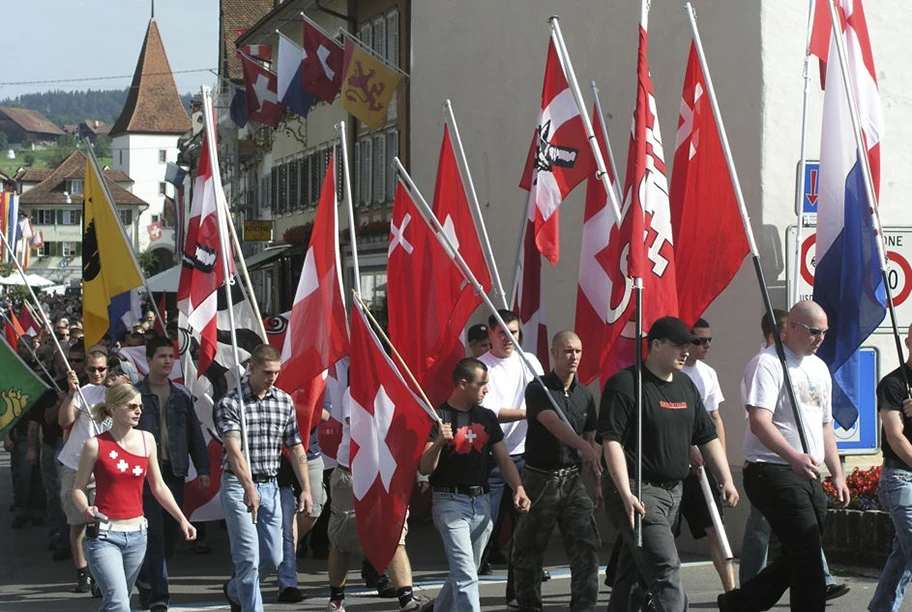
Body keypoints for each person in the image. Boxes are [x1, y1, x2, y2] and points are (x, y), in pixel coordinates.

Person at [600, 316, 738, 612]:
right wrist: (625, 493)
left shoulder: (685, 385)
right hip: (639, 491)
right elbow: (611, 441)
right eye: (678, 346)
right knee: (666, 569)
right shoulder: (626, 384)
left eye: (687, 345)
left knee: (633, 572)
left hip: (674, 491)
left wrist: (725, 478)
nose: (686, 351)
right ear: (656, 345)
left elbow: (707, 435)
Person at [718, 301, 849, 612]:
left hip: (808, 471)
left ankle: (741, 603)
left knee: (801, 548)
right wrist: (792, 456)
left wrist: (838, 473)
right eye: (814, 331)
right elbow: (759, 421)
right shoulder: (767, 364)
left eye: (825, 333)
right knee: (806, 554)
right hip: (771, 469)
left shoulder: (818, 367)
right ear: (791, 327)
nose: (820, 338)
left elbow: (825, 425)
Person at [72, 383, 196, 612]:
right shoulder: (94, 445)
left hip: (138, 536)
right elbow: (78, 489)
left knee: (116, 601)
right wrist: (85, 509)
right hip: (104, 536)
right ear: (112, 408)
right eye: (131, 406)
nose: (138, 411)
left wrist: (182, 519)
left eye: (140, 406)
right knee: (119, 603)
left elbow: (158, 486)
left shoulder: (147, 440)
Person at [419, 358, 531, 612]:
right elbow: (424, 468)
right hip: (450, 502)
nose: (487, 389)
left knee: (466, 568)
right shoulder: (439, 416)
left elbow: (503, 457)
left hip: (482, 503)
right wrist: (439, 443)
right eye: (482, 384)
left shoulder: (487, 416)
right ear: (462, 384)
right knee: (467, 572)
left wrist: (519, 488)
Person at [215, 344, 313, 612]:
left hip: (271, 485)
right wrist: (248, 486)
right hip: (238, 486)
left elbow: (295, 446)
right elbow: (233, 450)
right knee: (247, 557)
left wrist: (306, 488)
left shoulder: (284, 401)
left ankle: (235, 590)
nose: (272, 377)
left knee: (274, 556)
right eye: (267, 372)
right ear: (252, 368)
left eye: (277, 372)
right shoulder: (230, 403)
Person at [325, 361, 428, 612]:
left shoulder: (398, 392)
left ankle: (406, 597)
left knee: (395, 535)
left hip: (388, 475)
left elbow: (410, 432)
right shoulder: (354, 393)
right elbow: (364, 427)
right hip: (351, 476)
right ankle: (337, 598)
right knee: (343, 541)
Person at [512, 330, 603, 612]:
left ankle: (584, 606)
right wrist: (583, 447)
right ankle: (529, 605)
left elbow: (590, 440)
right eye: (566, 351)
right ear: (553, 353)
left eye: (577, 351)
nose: (573, 356)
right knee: (529, 551)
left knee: (586, 547)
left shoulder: (585, 394)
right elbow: (552, 423)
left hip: (572, 480)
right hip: (540, 479)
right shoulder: (538, 388)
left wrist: (597, 480)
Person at [135, 336, 210, 612]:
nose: (167, 361)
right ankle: (159, 596)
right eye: (162, 356)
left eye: (171, 356)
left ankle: (146, 578)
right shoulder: (136, 395)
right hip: (143, 475)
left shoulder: (181, 395)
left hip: (174, 471)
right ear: (149, 360)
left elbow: (194, 435)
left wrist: (202, 468)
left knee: (170, 534)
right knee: (152, 532)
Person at [477, 310, 545, 604]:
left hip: (526, 457)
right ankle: (461, 592)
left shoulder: (530, 362)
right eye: (502, 332)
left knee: (525, 530)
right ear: (490, 333)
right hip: (493, 458)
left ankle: (518, 593)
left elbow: (544, 398)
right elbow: (492, 414)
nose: (508, 338)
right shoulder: (481, 367)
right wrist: (533, 413)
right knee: (482, 529)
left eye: (514, 332)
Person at [677, 318, 736, 592]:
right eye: (699, 340)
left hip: (701, 470)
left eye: (708, 340)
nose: (705, 346)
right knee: (662, 533)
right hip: (673, 468)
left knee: (715, 529)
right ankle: (627, 577)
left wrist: (721, 466)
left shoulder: (708, 374)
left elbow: (715, 419)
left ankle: (732, 592)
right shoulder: (672, 374)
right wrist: (688, 447)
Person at [58, 346, 111, 593]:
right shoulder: (82, 391)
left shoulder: (115, 393)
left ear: (108, 369)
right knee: (77, 522)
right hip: (76, 464)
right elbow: (65, 421)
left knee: (101, 524)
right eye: (92, 369)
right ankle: (83, 573)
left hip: (104, 466)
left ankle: (100, 574)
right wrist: (70, 393)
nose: (96, 373)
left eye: (101, 369)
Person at [867, 323, 912, 611]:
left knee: (903, 555)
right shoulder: (894, 384)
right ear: (909, 341)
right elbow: (896, 437)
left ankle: (882, 608)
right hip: (901, 477)